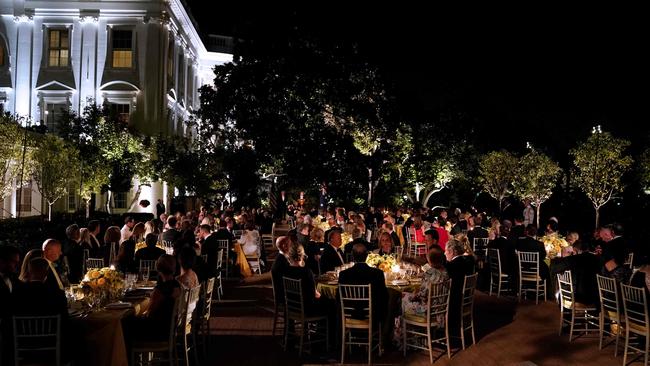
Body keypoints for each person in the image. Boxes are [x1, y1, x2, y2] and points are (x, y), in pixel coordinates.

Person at [338, 243, 388, 324]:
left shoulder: (343, 274)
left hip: (350, 313)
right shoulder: (377, 273)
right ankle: (384, 331)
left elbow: (338, 297)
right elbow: (384, 296)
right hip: (373, 314)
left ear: (353, 256)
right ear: (367, 256)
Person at [402, 246, 449, 324]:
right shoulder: (445, 272)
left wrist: (412, 296)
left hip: (428, 311)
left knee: (401, 301)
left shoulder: (429, 274)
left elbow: (422, 295)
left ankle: (403, 332)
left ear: (429, 260)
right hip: (441, 310)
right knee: (406, 296)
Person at [553, 240, 600, 305]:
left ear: (575, 250)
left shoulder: (573, 259)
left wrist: (564, 257)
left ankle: (568, 312)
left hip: (577, 297)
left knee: (560, 291)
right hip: (596, 298)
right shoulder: (598, 259)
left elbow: (554, 268)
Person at [444, 239, 476, 336]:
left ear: (452, 252)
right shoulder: (468, 261)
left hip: (454, 301)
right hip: (465, 299)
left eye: (446, 251)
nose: (444, 253)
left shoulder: (451, 266)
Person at [271, 236, 291, 306]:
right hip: (285, 294)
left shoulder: (281, 257)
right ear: (284, 246)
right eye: (290, 244)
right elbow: (290, 277)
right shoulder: (281, 261)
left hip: (284, 290)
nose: (291, 246)